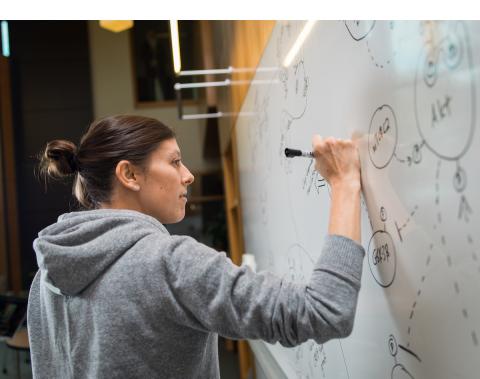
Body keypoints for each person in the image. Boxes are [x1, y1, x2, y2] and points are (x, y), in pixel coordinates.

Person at [27, 114, 364, 378]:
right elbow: (325, 312)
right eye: (174, 162)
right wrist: (345, 182)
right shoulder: (169, 264)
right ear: (129, 174)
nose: (188, 175)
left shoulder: (45, 279)